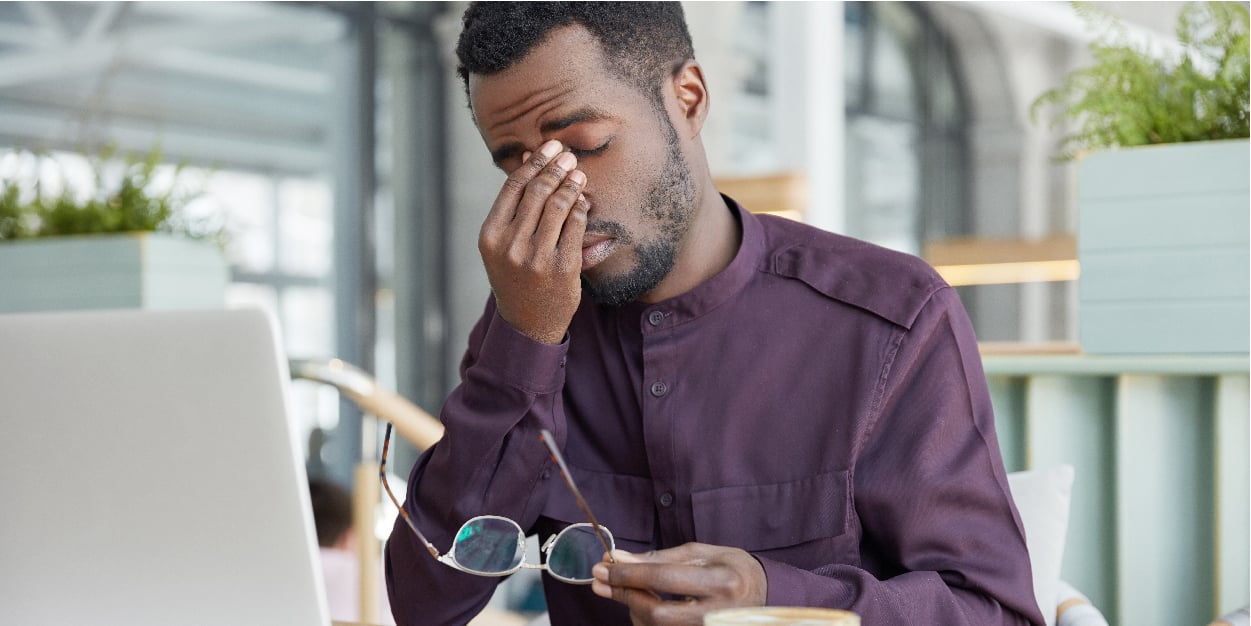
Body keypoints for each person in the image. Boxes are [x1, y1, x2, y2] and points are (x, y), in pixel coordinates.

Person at [385, 3, 1046, 625]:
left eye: (583, 146)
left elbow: (994, 612)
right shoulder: (531, 320)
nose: (559, 199)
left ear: (688, 99)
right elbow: (426, 604)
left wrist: (772, 600)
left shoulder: (888, 318)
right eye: (517, 167)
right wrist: (525, 339)